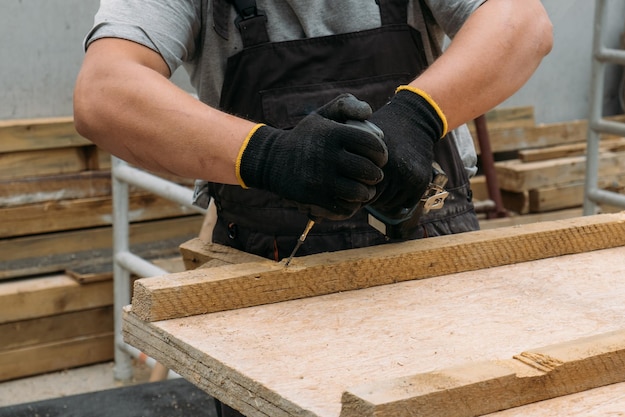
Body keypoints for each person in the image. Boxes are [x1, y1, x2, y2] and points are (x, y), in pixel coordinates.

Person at [74, 0, 552, 415]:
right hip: (264, 274)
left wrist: (419, 116)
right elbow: (103, 92)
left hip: (432, 250)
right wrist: (267, 155)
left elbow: (523, 20)